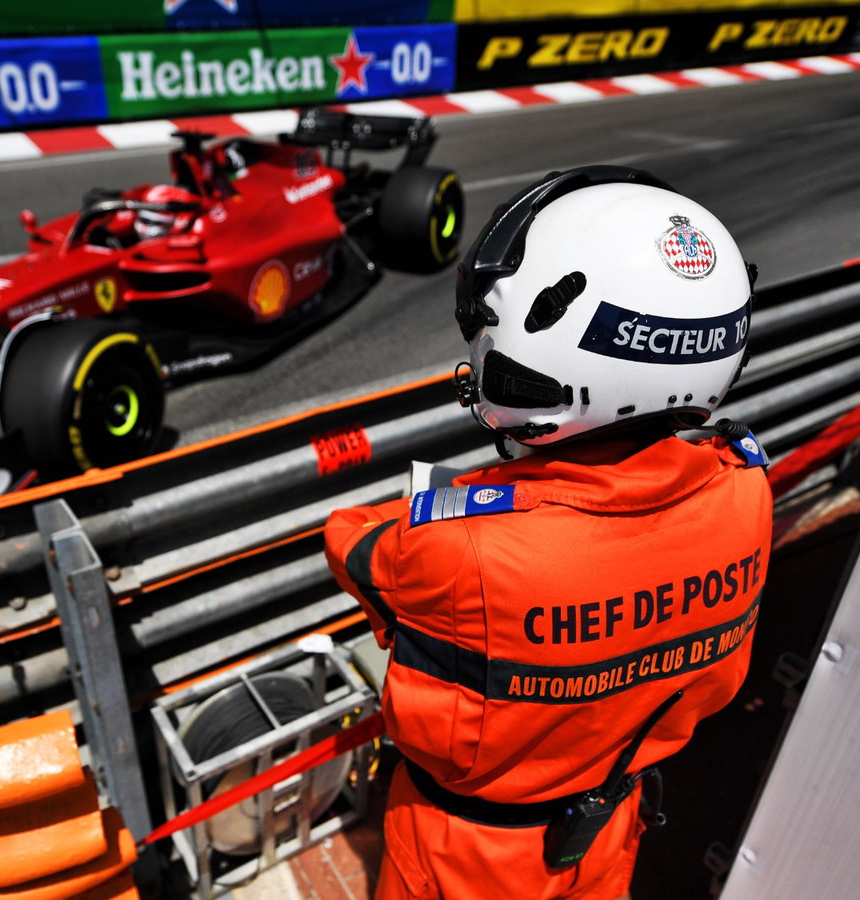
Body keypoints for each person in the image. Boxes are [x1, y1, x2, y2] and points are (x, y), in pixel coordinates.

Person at [324, 166, 773, 900]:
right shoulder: (745, 486)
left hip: (465, 855)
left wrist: (490, 495)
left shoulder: (460, 543)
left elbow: (352, 537)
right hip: (611, 821)